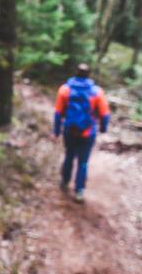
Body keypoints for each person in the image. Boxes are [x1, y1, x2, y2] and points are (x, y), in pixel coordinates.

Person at [51, 63, 110, 203]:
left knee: (69, 156)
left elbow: (58, 113)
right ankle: (79, 191)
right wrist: (103, 128)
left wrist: (56, 131)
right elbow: (105, 114)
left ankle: (65, 182)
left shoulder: (65, 90)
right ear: (89, 75)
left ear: (75, 73)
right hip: (88, 133)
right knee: (83, 162)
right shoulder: (96, 92)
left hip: (69, 131)